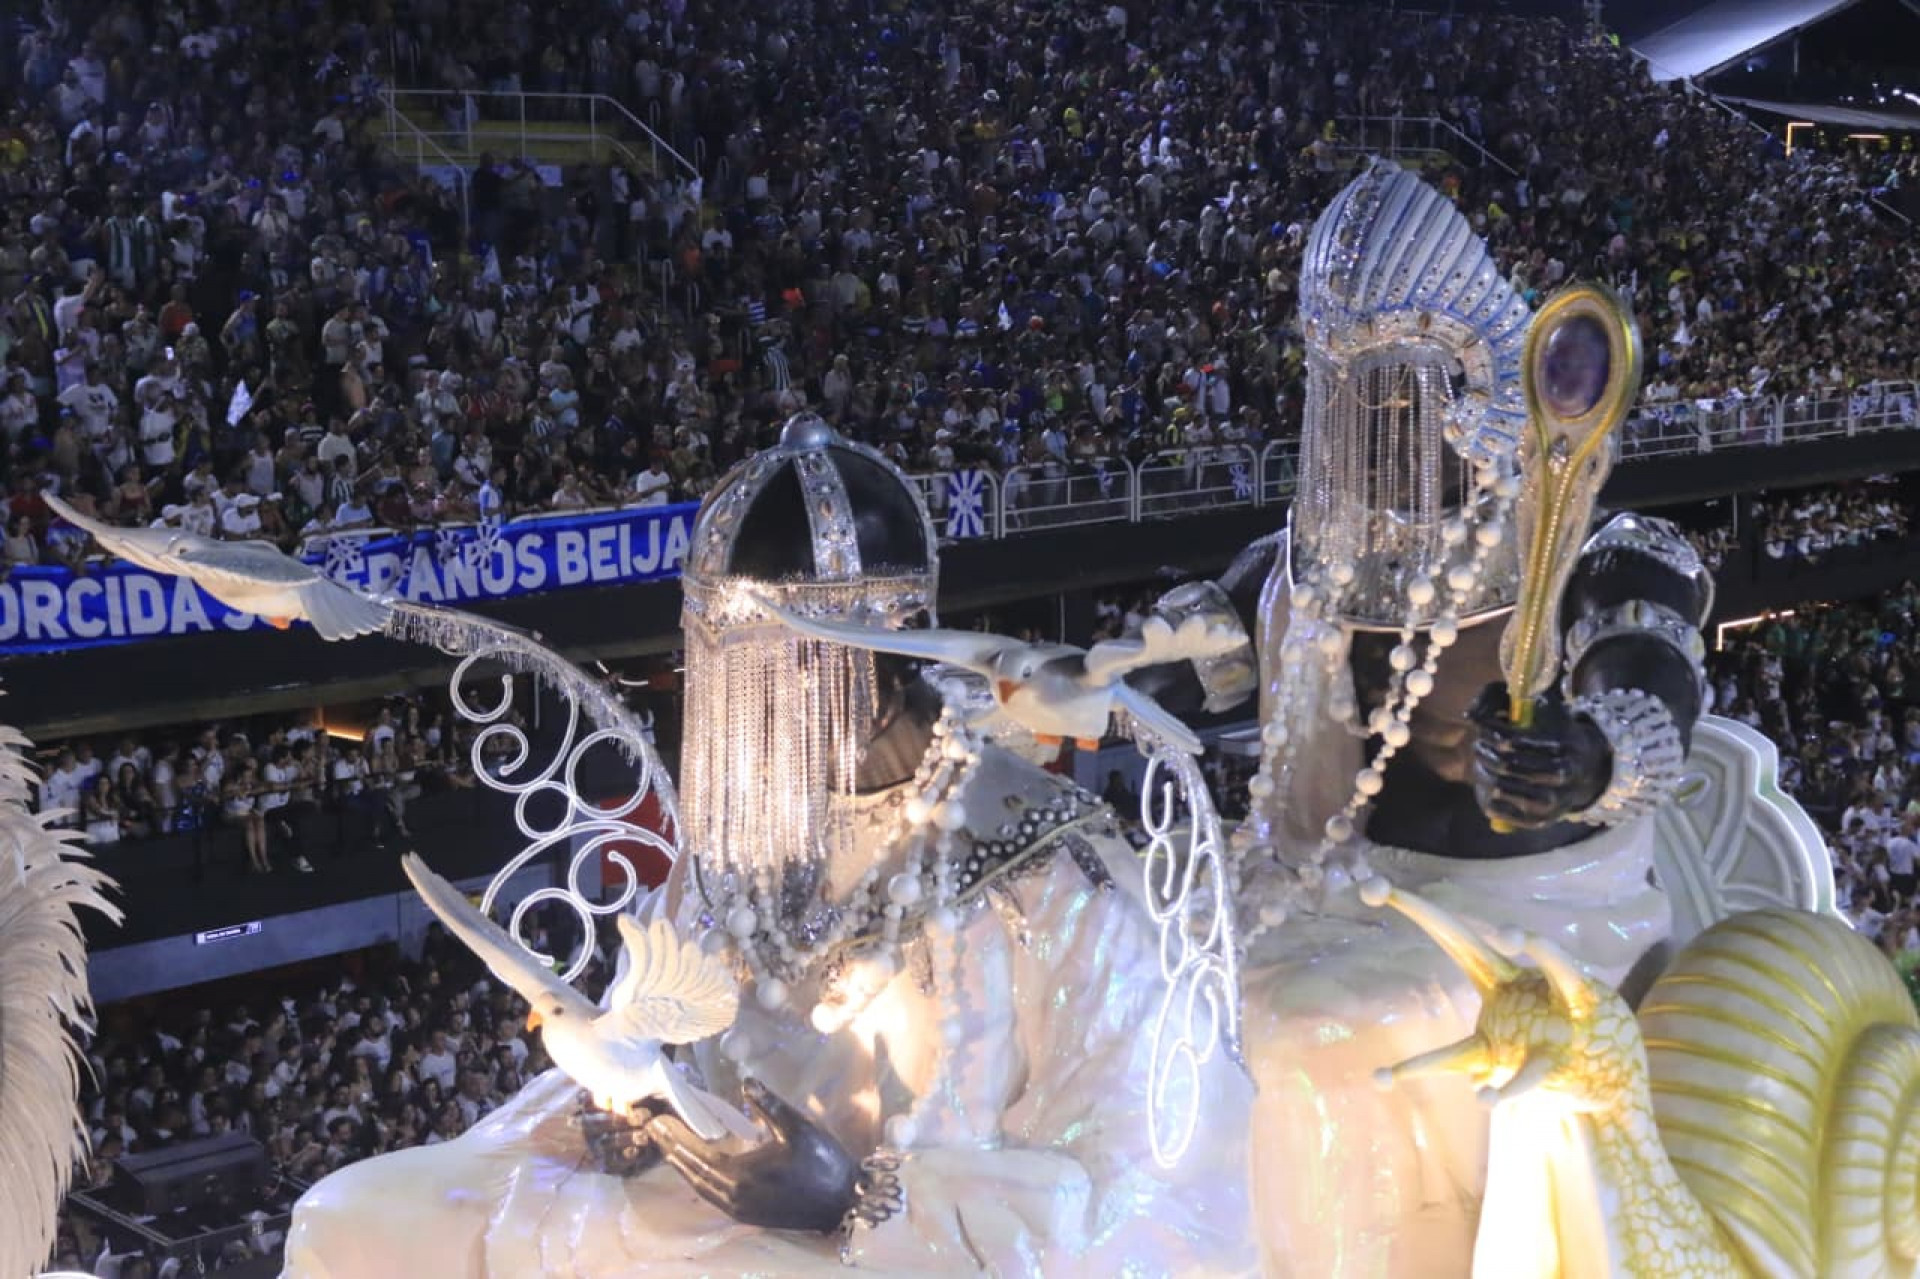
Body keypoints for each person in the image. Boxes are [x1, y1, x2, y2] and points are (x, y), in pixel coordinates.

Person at [283, 415, 1255, 1275]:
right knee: (353, 1217)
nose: (745, 712)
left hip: (908, 1254)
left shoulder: (1047, 862)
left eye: (775, 670)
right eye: (727, 673)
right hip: (697, 1218)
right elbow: (667, 1051)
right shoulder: (740, 839)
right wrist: (640, 1115)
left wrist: (861, 1202)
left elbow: (1142, 1174)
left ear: (878, 654)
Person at [1139, 165, 1732, 1275]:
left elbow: (1648, 678)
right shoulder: (1307, 565)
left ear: (1479, 381)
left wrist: (1586, 757)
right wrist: (1101, 679)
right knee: (1149, 961)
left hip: (1536, 922)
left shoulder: (1597, 550)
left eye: (1404, 389)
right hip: (1332, 889)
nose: (1381, 423)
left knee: (1317, 1026)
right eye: (1354, 389)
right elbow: (1190, 661)